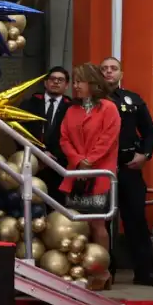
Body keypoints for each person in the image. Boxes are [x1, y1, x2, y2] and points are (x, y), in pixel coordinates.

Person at [99, 57, 153, 287]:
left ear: (121, 74)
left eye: (113, 68)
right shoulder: (91, 100)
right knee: (99, 222)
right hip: (100, 170)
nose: (109, 72)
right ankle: (102, 271)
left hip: (128, 168)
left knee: (136, 221)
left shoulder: (132, 100)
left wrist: (145, 155)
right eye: (104, 69)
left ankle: (145, 272)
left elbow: (149, 132)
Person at [59, 63, 120, 289]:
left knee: (97, 224)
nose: (75, 86)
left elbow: (108, 139)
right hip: (76, 175)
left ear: (93, 83)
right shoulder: (71, 110)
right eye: (74, 82)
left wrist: (89, 162)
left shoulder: (108, 108)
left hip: (99, 175)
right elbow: (64, 138)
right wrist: (78, 161)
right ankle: (80, 270)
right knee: (77, 225)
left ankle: (102, 272)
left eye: (79, 82)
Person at [22, 66, 72, 198]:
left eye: (60, 80)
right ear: (45, 83)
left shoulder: (72, 108)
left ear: (66, 85)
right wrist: (40, 153)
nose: (56, 82)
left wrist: (53, 157)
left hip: (59, 166)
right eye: (52, 79)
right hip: (32, 162)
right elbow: (21, 131)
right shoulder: (30, 104)